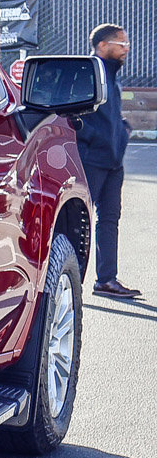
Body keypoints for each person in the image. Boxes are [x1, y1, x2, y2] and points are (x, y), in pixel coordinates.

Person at [75, 23, 138, 297]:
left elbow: (109, 114)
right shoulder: (87, 73)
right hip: (91, 160)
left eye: (126, 44)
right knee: (79, 221)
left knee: (110, 220)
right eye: (120, 44)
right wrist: (95, 138)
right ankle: (69, 281)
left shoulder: (112, 76)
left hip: (114, 162)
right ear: (103, 45)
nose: (126, 49)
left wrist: (122, 130)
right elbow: (73, 115)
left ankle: (106, 280)